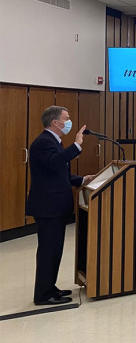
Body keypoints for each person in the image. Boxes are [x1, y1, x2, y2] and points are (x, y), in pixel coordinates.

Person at [26, 106, 94, 305]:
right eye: (67, 118)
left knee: (55, 250)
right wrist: (76, 146)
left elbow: (58, 173)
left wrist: (81, 180)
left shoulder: (53, 141)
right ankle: (43, 294)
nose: (69, 122)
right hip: (48, 207)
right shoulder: (43, 143)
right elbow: (55, 163)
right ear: (55, 122)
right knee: (48, 250)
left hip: (54, 206)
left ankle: (50, 287)